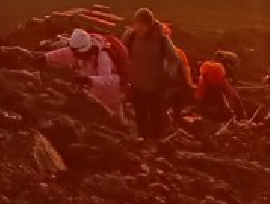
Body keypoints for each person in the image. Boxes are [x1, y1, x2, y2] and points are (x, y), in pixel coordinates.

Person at [121, 8, 186, 142]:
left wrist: (168, 74)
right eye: (137, 24)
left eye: (142, 25)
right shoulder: (129, 37)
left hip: (156, 86)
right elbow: (122, 54)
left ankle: (157, 144)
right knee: (140, 117)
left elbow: (175, 60)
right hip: (136, 84)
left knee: (157, 120)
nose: (139, 28)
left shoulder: (162, 40)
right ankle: (143, 143)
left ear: (149, 25)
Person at [42, 29, 125, 116]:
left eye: (78, 54)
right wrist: (46, 58)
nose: (76, 56)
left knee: (114, 120)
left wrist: (88, 80)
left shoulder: (103, 56)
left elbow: (107, 79)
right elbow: (65, 53)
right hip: (96, 95)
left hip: (110, 95)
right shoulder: (83, 50)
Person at [192, 59, 245, 135]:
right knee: (223, 107)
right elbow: (233, 96)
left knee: (217, 109)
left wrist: (199, 110)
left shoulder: (205, 78)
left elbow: (198, 98)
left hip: (211, 105)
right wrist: (241, 113)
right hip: (217, 101)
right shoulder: (218, 75)